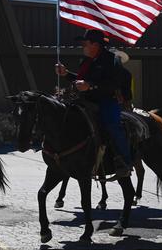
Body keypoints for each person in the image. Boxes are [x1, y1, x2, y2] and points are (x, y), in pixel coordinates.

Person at [55, 29, 132, 176]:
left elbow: (114, 83)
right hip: (85, 101)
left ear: (95, 45)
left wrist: (91, 85)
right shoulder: (86, 61)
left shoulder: (112, 60)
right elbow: (80, 81)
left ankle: (124, 161)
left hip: (106, 101)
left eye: (85, 43)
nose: (83, 46)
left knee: (112, 126)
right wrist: (66, 74)